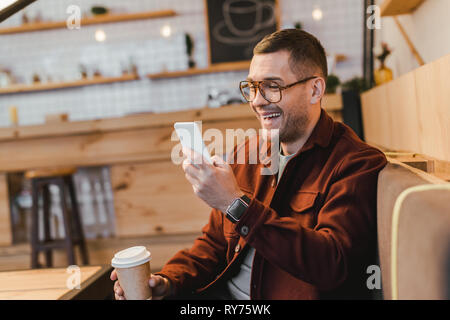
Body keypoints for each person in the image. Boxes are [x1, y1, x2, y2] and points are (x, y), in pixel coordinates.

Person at [111, 28, 387, 300]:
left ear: (315, 90)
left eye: (272, 86)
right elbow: (214, 244)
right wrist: (168, 281)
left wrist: (236, 205)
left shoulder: (356, 163)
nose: (257, 101)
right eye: (253, 87)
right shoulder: (248, 152)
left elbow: (331, 264)